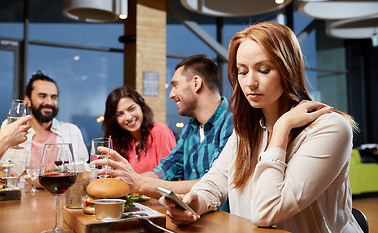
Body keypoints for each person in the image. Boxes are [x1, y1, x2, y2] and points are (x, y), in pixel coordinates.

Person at [159, 22, 363, 232]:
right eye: (242, 71)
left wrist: (283, 127)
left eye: (263, 70)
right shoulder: (246, 131)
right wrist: (196, 202)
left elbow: (267, 212)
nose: (250, 83)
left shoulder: (330, 129)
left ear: (288, 70)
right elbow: (217, 179)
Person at [91, 54, 234, 210]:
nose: (171, 94)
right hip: (190, 218)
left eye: (175, 85)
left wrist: (139, 183)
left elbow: (213, 183)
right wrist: (124, 180)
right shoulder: (190, 129)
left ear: (196, 83)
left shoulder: (232, 125)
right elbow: (166, 169)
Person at [1, 72, 89, 176]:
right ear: (27, 100)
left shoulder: (73, 132)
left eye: (54, 97)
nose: (49, 102)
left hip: (60, 192)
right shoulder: (11, 133)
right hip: (20, 192)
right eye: (42, 96)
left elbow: (84, 174)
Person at [102, 85, 176, 173]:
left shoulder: (160, 131)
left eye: (132, 109)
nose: (128, 117)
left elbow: (170, 174)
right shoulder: (118, 140)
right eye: (120, 114)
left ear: (141, 106)